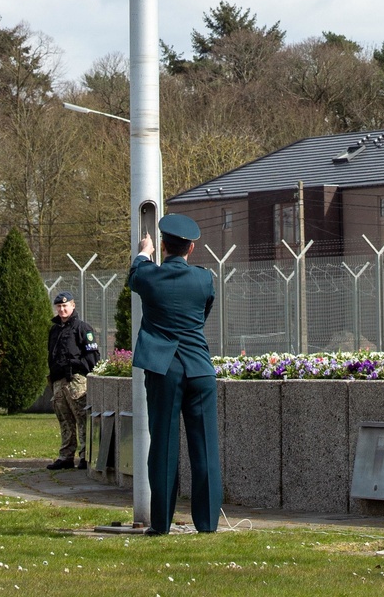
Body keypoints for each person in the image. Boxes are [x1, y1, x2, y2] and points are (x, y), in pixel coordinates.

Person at [128, 214, 222, 536]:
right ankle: (208, 523)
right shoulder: (204, 279)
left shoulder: (150, 276)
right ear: (191, 248)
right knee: (206, 448)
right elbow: (203, 312)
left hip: (164, 368)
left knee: (164, 448)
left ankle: (161, 524)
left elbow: (136, 271)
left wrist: (144, 250)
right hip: (199, 368)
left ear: (163, 246)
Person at [46, 291, 100, 471]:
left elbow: (92, 357)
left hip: (76, 381)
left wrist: (77, 366)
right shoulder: (54, 330)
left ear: (73, 306)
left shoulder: (82, 328)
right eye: (59, 306)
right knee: (65, 420)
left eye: (65, 305)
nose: (62, 309)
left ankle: (86, 456)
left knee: (82, 419)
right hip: (59, 381)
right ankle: (66, 456)